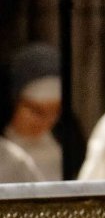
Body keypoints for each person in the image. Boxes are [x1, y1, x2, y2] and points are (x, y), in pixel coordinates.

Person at [2, 42, 62, 179]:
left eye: (55, 111)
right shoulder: (5, 152)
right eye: (37, 111)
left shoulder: (65, 148)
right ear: (15, 103)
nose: (47, 121)